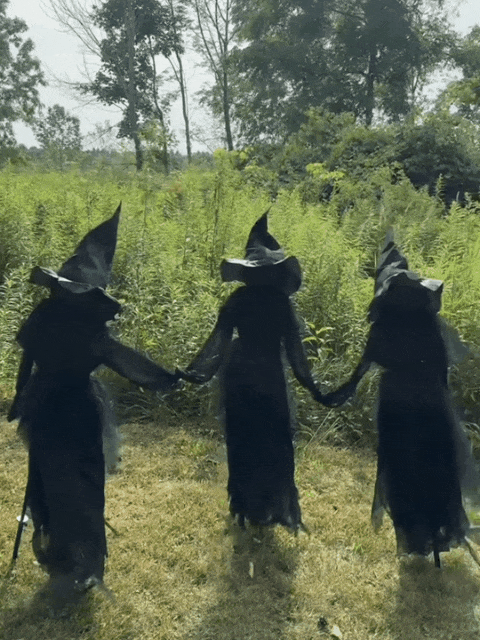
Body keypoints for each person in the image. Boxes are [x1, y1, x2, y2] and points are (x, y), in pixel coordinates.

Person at [8, 205, 178, 609]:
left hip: (43, 405)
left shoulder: (43, 315)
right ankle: (76, 564)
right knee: (81, 486)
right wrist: (169, 379)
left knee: (48, 479)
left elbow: (26, 361)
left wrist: (20, 397)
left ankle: (58, 554)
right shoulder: (91, 330)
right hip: (76, 411)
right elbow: (130, 364)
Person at [323, 231, 480, 567]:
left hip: (395, 402)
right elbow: (442, 371)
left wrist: (335, 394)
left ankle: (416, 539)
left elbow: (361, 370)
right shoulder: (429, 323)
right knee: (434, 467)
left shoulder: (384, 325)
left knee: (403, 470)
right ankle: (436, 537)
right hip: (430, 402)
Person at [177, 213, 323, 532]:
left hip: (239, 372)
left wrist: (193, 373)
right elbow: (296, 354)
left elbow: (216, 345)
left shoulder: (238, 299)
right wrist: (313, 387)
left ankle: (246, 506)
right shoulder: (281, 303)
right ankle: (269, 506)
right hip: (269, 374)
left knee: (243, 438)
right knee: (273, 439)